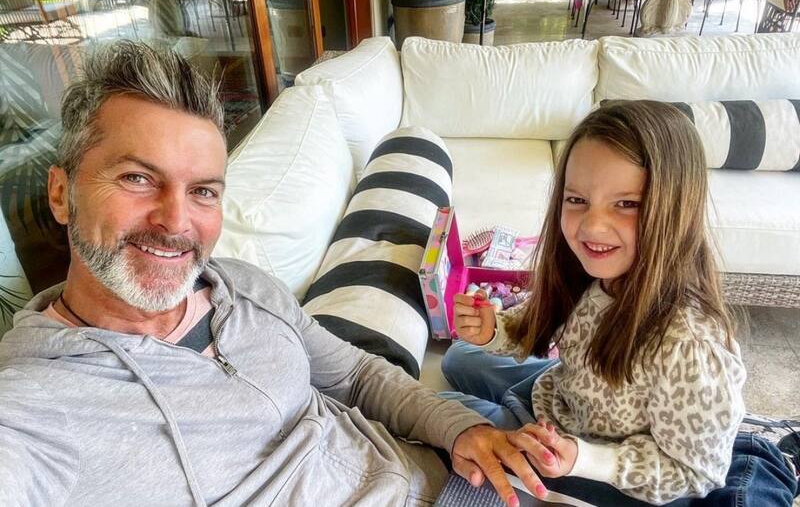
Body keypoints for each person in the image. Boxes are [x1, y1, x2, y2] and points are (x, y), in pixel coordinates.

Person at [0, 41, 548, 507]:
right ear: (61, 194)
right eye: (137, 178)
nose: (176, 221)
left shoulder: (242, 286)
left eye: (203, 191)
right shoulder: (33, 407)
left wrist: (460, 428)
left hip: (452, 479)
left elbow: (357, 376)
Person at [441, 101, 799, 506]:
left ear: (674, 210)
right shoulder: (594, 274)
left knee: (446, 413)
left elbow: (693, 472)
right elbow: (541, 326)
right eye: (577, 199)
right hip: (565, 400)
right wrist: (493, 330)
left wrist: (583, 458)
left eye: (626, 203)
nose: (592, 226)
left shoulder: (690, 344)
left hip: (602, 460)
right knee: (459, 357)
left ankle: (772, 454)